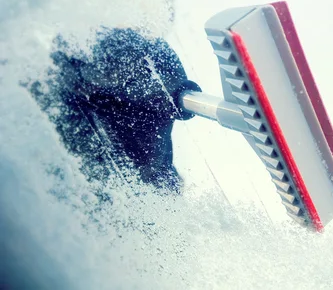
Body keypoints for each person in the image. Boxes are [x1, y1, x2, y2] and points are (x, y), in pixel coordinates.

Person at [25, 27, 201, 193]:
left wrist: (174, 94)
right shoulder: (71, 54)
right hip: (121, 180)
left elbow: (166, 88)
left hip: (135, 183)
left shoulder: (150, 49)